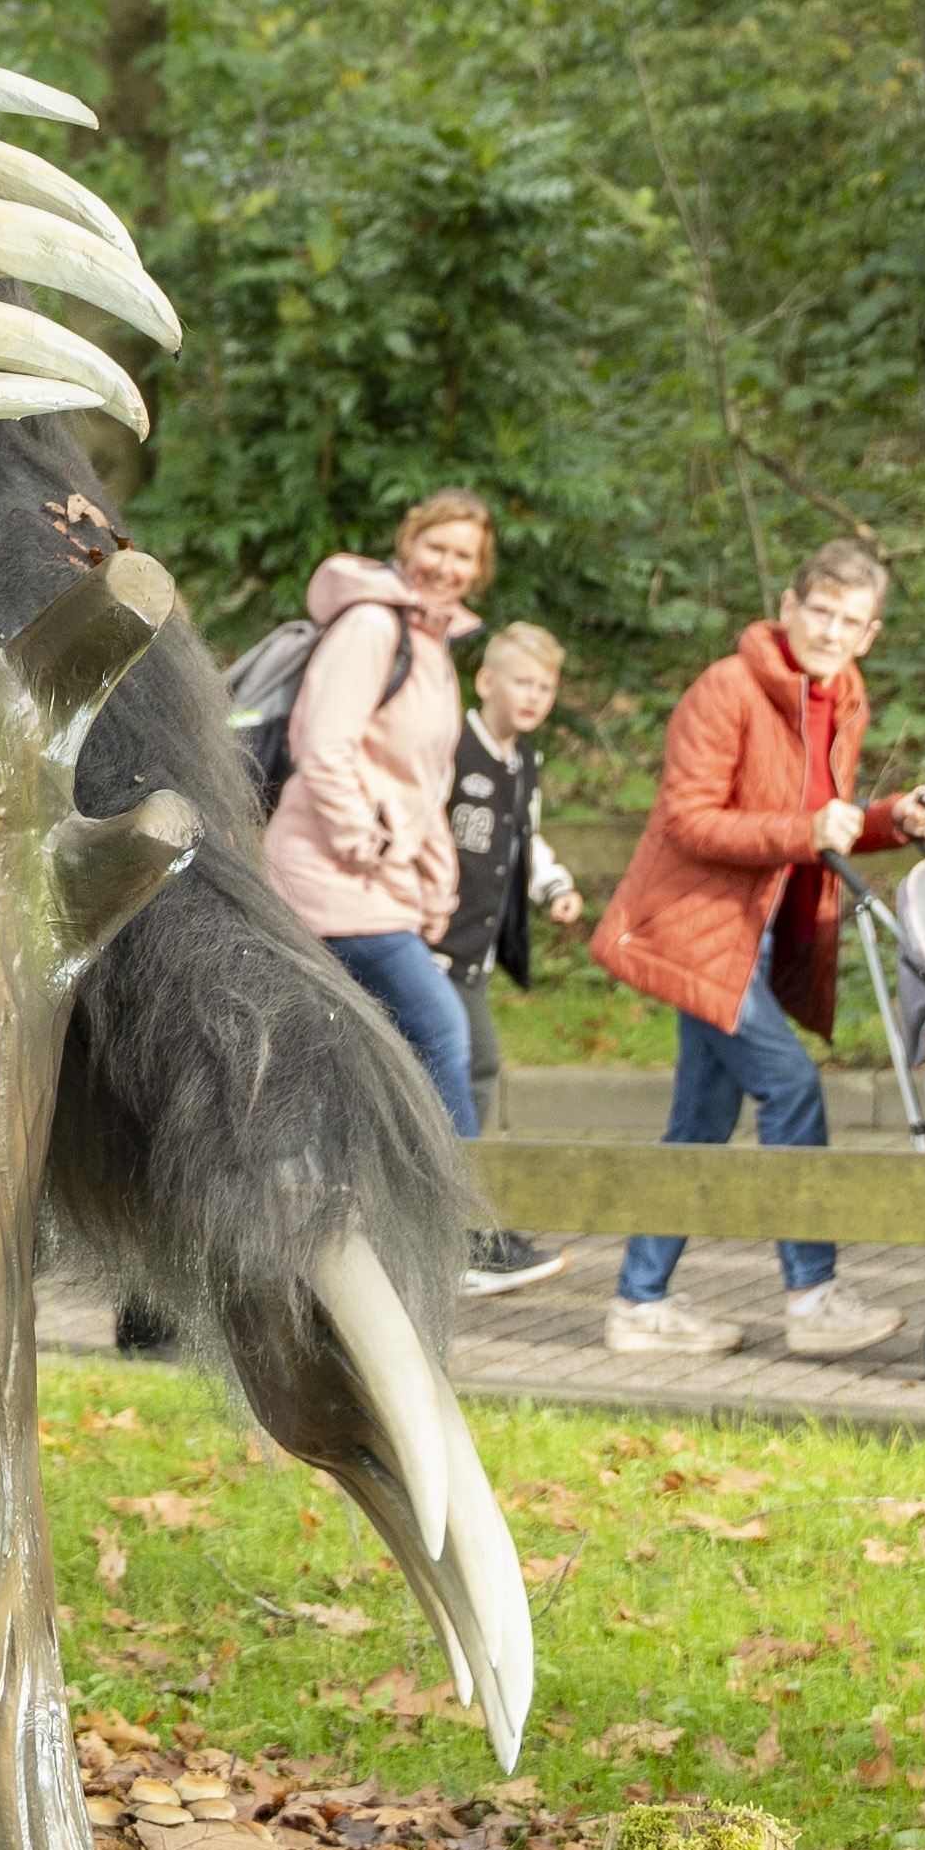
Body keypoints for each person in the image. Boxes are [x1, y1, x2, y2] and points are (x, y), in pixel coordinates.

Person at [590, 533, 925, 1364]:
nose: (829, 629)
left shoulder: (842, 695)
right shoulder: (728, 689)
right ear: (788, 608)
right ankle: (813, 1296)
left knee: (701, 1124)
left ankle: (639, 1304)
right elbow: (689, 817)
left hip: (750, 937)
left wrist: (893, 819)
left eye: (849, 620)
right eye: (818, 610)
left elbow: (826, 819)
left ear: (869, 634)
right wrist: (804, 828)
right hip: (694, 931)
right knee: (792, 1088)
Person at [254, 488, 493, 1140]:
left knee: (353, 1063)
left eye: (462, 555)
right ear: (407, 543)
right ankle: (470, 1232)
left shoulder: (433, 647)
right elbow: (322, 747)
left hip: (380, 885)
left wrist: (438, 883)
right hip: (330, 876)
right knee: (442, 1032)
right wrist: (367, 845)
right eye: (435, 546)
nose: (446, 565)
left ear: (479, 569)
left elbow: (423, 783)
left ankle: (393, 1222)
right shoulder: (372, 626)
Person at [440, 619, 584, 1291]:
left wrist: (552, 884)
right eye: (522, 681)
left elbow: (527, 840)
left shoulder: (524, 763)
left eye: (545, 687)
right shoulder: (450, 745)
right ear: (486, 680)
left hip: (477, 954)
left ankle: (458, 1219)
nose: (533, 696)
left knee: (473, 1066)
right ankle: (464, 1228)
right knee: (474, 1060)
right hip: (431, 944)